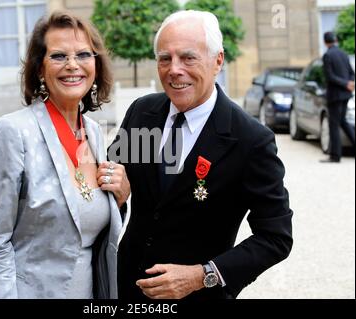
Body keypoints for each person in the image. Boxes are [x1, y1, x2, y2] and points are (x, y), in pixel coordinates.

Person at [106, 10, 293, 300]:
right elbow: (115, 193)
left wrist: (202, 275)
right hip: (126, 289)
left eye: (188, 57)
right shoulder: (142, 114)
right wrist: (115, 195)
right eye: (165, 58)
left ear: (218, 61)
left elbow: (275, 238)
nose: (174, 69)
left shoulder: (249, 140)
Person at [0, 12, 129, 299]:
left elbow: (91, 230)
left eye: (84, 55)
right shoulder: (11, 133)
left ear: (96, 66)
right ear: (40, 68)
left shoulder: (94, 133)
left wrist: (120, 199)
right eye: (59, 56)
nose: (73, 65)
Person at [319, 31, 355, 163]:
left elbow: (330, 77)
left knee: (334, 124)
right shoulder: (343, 54)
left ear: (325, 42)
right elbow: (352, 73)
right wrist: (350, 83)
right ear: (335, 40)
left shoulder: (328, 55)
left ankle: (335, 155)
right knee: (343, 121)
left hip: (335, 95)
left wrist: (346, 84)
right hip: (346, 94)